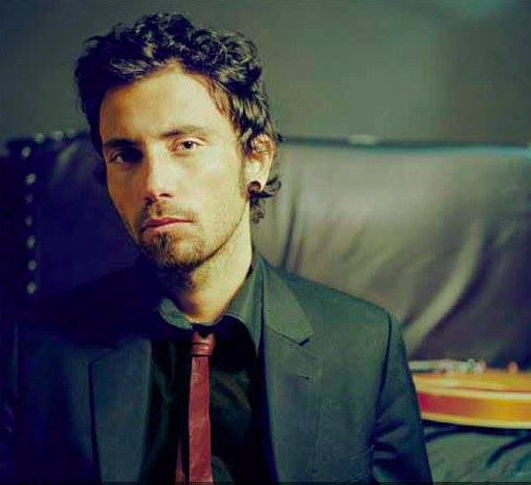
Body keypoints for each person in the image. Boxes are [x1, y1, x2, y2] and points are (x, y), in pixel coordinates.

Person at [0, 12, 432, 484]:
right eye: (125, 155)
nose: (154, 184)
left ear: (256, 160)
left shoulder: (364, 345)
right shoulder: (31, 351)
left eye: (185, 144)